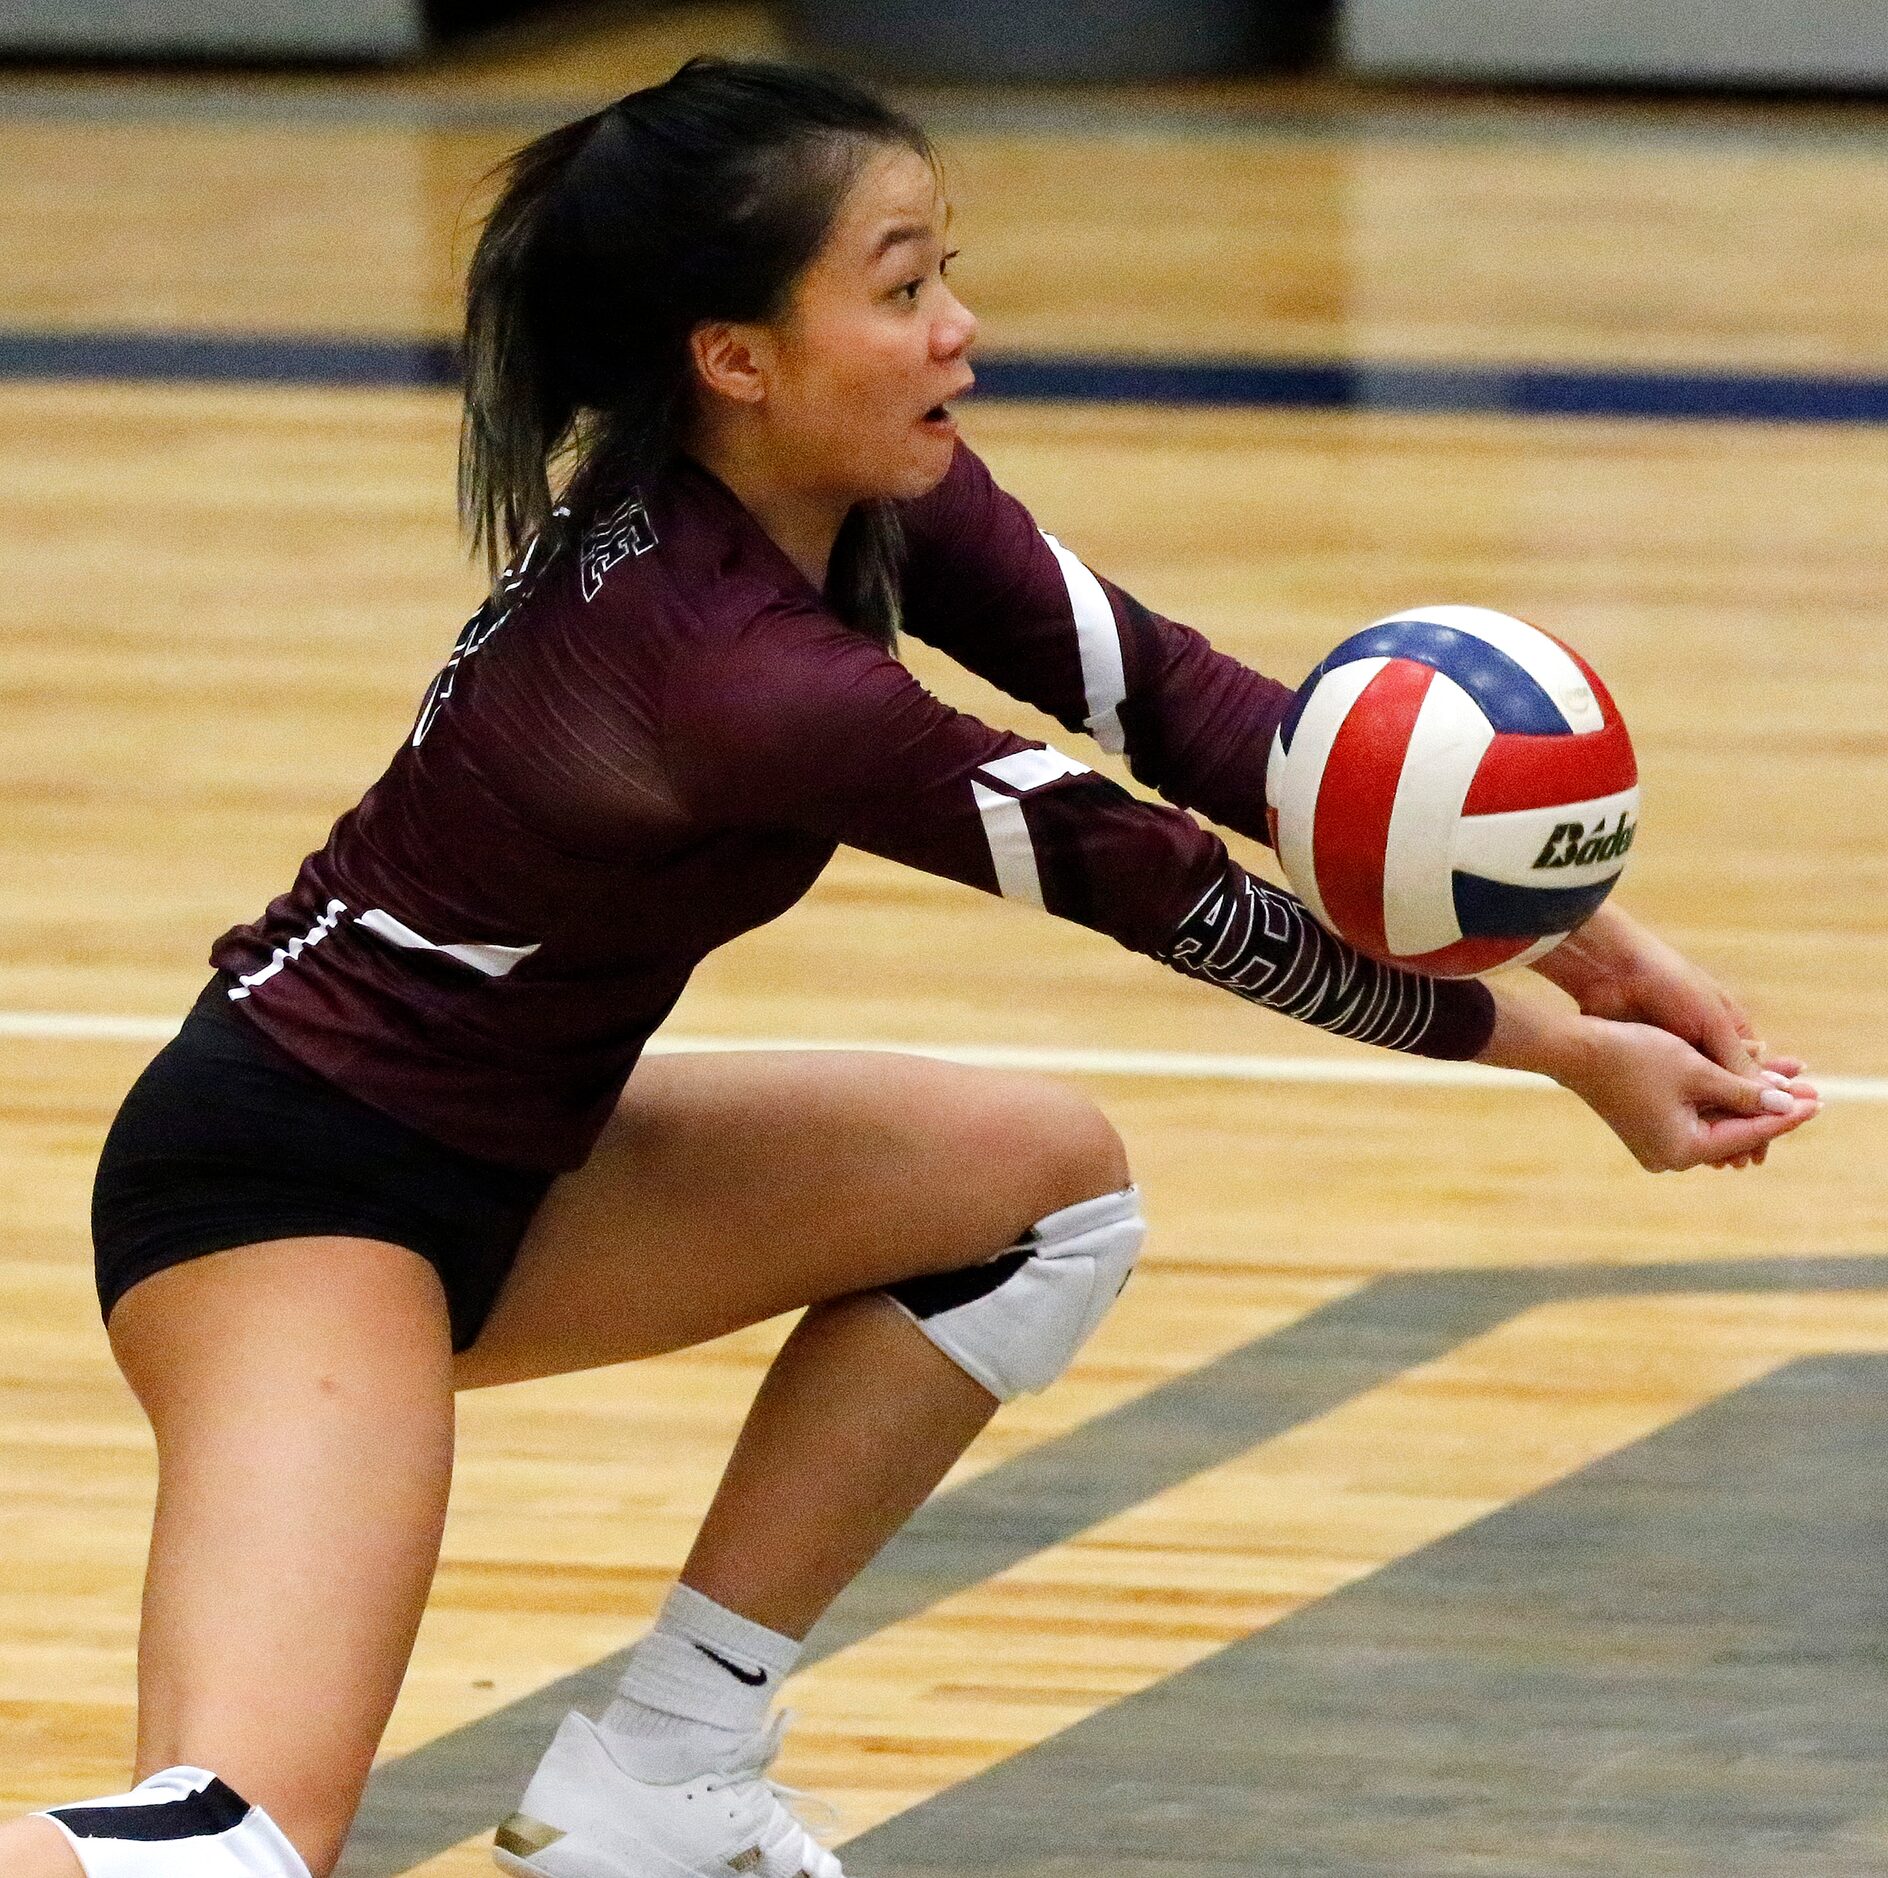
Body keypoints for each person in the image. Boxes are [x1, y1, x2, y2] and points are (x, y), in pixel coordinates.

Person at [2, 55, 1818, 1878]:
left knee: (1039, 1197)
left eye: (946, 267)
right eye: (899, 286)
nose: (962, 327)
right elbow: (1166, 890)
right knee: (224, 1846)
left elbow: (1193, 716)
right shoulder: (730, 675)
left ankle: (667, 1779)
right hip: (288, 1197)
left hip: (517, 1167)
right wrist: (1564, 1051)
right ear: (737, 357)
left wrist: (1580, 925)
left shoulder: (856, 493)